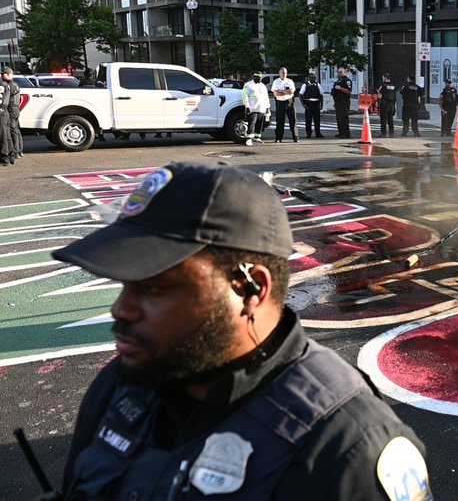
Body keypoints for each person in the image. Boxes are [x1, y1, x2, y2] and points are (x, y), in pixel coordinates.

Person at [53, 161, 433, 501]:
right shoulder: (121, 388)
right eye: (125, 284)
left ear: (250, 289)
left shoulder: (347, 448)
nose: (121, 308)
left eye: (154, 287)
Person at [241, 72, 269, 146]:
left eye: (260, 78)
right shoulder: (247, 85)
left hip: (261, 108)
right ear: (253, 77)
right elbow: (244, 96)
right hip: (252, 108)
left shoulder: (263, 86)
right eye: (257, 78)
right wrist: (247, 106)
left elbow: (266, 97)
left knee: (259, 124)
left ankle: (257, 138)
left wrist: (267, 107)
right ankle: (249, 139)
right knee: (251, 123)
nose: (259, 79)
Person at [271, 67, 297, 143]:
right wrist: (285, 92)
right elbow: (275, 93)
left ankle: (295, 137)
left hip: (289, 102)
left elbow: (291, 92)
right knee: (279, 121)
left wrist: (281, 92)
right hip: (280, 103)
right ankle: (278, 138)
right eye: (282, 72)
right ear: (279, 73)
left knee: (293, 120)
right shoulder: (276, 82)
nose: (283, 74)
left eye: (284, 73)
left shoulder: (290, 81)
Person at [2, 67, 21, 162]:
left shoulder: (10, 85)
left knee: (12, 130)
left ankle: (16, 151)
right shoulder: (14, 84)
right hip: (15, 109)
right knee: (16, 130)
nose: (2, 75)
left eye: (4, 73)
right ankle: (18, 151)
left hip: (12, 109)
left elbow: (6, 99)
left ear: (9, 74)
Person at [299, 73, 324, 139]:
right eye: (311, 77)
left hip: (316, 104)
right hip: (308, 104)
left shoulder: (317, 84)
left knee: (317, 120)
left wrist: (322, 104)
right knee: (308, 120)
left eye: (314, 77)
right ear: (308, 78)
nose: (313, 78)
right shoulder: (305, 85)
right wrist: (303, 104)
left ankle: (318, 133)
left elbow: (321, 95)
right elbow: (300, 94)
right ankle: (309, 133)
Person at [332, 66, 353, 139]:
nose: (339, 73)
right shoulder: (338, 81)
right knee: (339, 118)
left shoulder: (347, 80)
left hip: (344, 102)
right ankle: (340, 132)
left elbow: (349, 91)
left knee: (344, 118)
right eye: (338, 72)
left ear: (345, 72)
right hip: (338, 102)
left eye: (341, 72)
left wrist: (340, 88)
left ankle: (346, 134)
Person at [377, 73, 398, 138]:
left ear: (385, 78)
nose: (382, 79)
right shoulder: (393, 86)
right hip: (391, 105)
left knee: (383, 120)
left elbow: (380, 96)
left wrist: (378, 93)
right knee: (390, 120)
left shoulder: (383, 86)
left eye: (383, 78)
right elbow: (395, 96)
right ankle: (391, 134)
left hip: (384, 104)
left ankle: (383, 133)